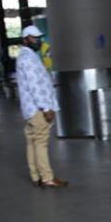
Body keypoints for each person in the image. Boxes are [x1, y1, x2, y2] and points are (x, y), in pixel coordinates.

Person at [16, 26, 68, 189]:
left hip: (30, 109)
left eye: (38, 38)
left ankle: (36, 176)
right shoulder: (28, 59)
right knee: (41, 142)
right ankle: (47, 178)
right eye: (33, 38)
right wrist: (46, 108)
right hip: (38, 109)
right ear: (25, 39)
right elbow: (35, 86)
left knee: (32, 141)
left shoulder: (27, 56)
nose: (37, 41)